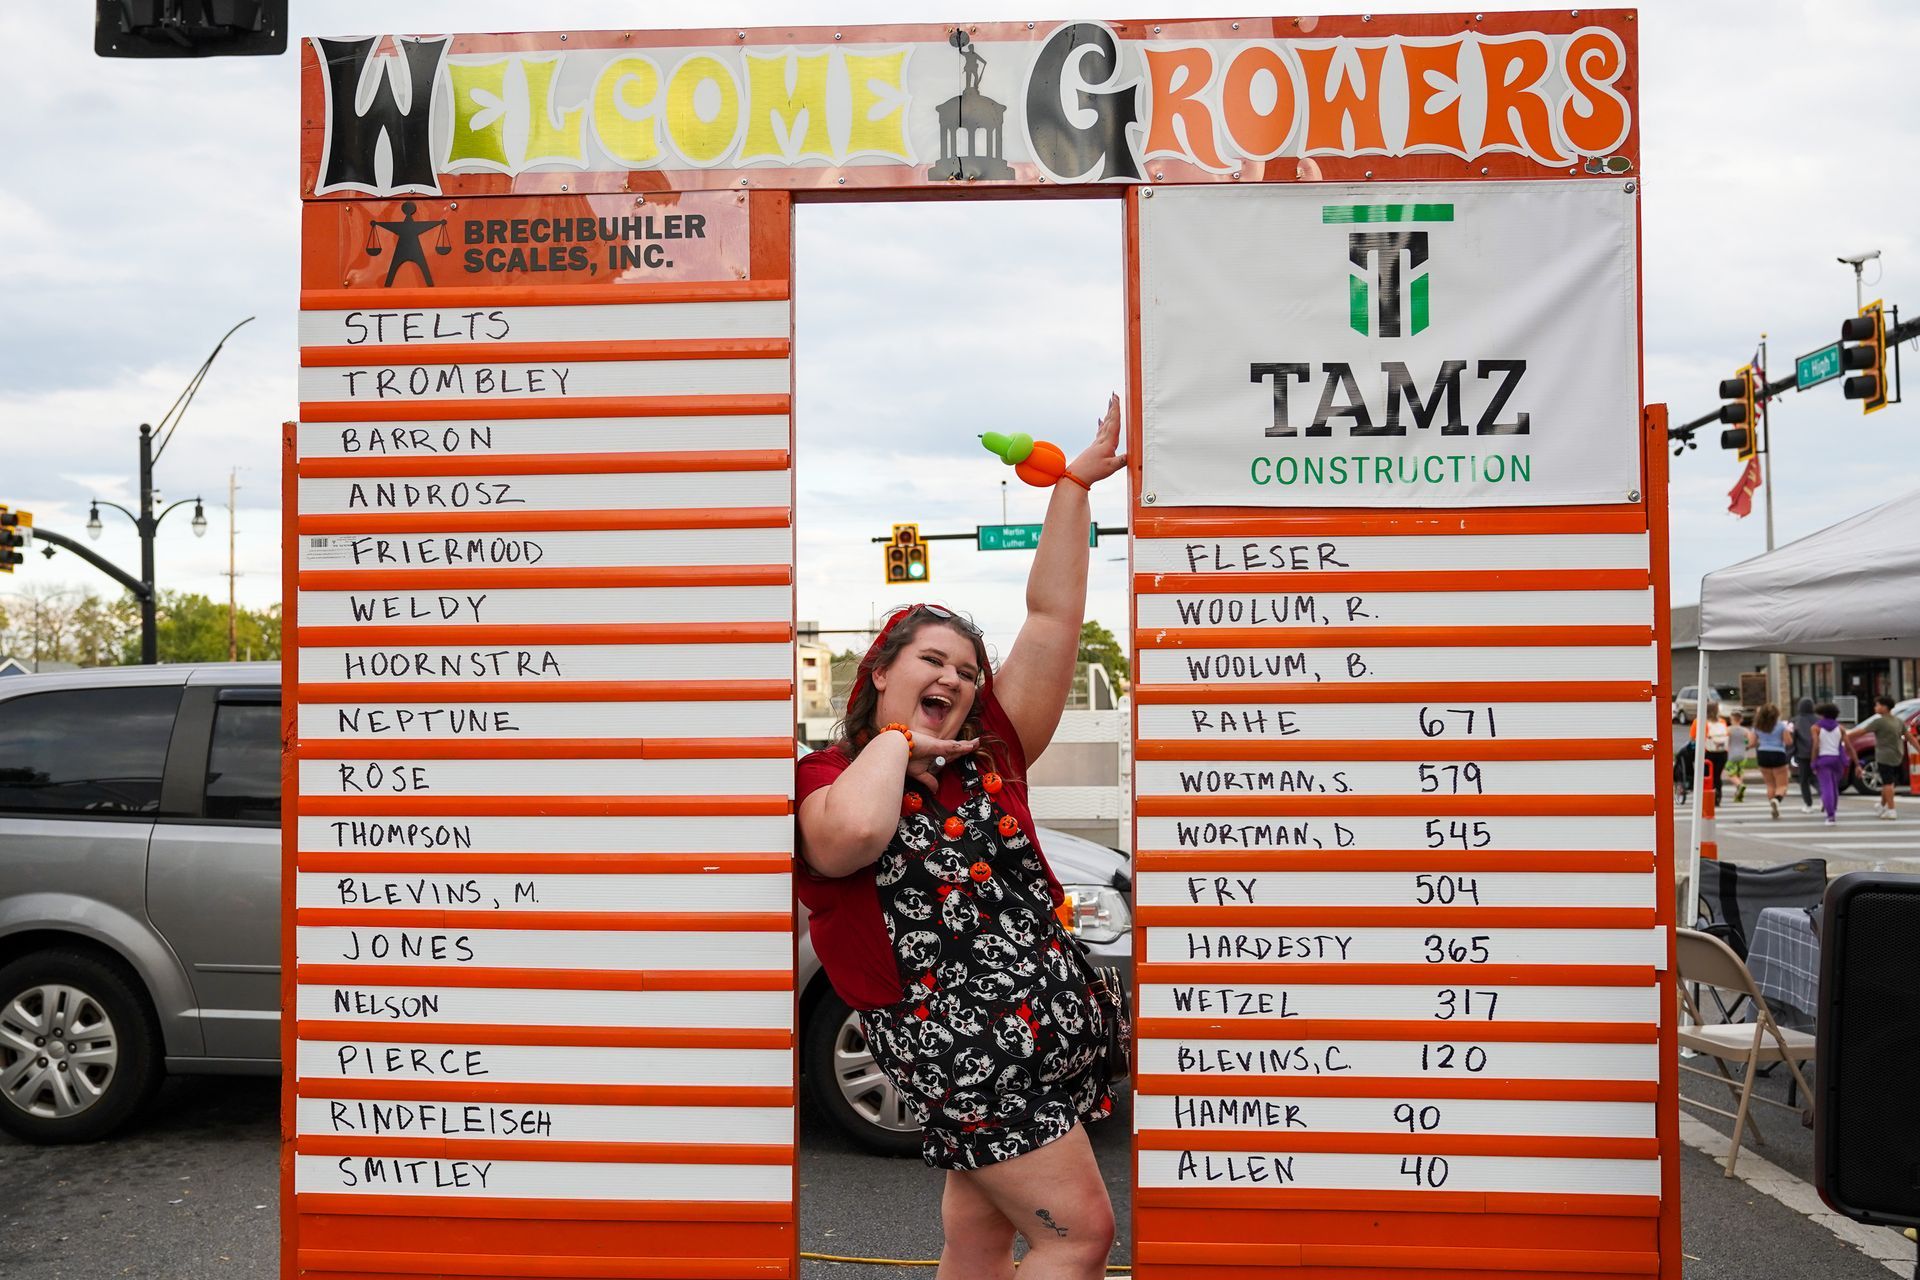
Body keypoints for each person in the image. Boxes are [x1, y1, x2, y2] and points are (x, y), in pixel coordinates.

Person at [794, 395, 1126, 1279]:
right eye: (932, 662)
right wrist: (899, 743)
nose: (956, 678)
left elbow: (1051, 620)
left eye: (969, 671)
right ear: (881, 676)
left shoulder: (990, 757)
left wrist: (1073, 492)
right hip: (968, 1055)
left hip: (1039, 1034)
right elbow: (853, 838)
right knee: (1079, 1234)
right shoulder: (827, 781)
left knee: (979, 1235)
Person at [1854, 694, 1918, 819]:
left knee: (1887, 782)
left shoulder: (1879, 721)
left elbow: (1860, 732)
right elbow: (1910, 737)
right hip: (1897, 755)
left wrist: (1844, 736)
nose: (1875, 707)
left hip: (1884, 756)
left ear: (1884, 707)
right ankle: (1882, 805)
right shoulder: (1898, 721)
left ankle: (1892, 809)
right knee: (1888, 782)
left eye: (1877, 705)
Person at [1811, 700, 1857, 825]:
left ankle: (1830, 815)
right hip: (1837, 760)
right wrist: (1856, 763)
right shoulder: (1840, 728)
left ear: (1822, 714)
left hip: (1823, 758)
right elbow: (1848, 746)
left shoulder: (1816, 728)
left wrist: (1813, 761)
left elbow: (1816, 746)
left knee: (1826, 787)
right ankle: (1833, 808)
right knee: (1833, 786)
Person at [1752, 704, 1793, 820]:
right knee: (1782, 785)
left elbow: (1753, 742)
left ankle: (1773, 804)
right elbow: (1788, 741)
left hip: (1762, 754)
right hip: (1778, 753)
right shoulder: (1781, 726)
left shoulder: (1757, 726)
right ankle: (1777, 800)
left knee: (1770, 784)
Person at [1695, 701, 1731, 806]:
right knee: (1717, 775)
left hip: (1708, 752)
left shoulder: (1700, 722)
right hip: (1722, 752)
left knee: (1707, 775)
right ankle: (1718, 794)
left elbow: (1693, 737)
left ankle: (1708, 796)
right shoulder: (1722, 722)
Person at [1791, 697, 1819, 814]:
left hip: (1802, 755)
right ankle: (1825, 798)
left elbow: (1792, 738)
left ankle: (1808, 804)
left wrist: (1790, 754)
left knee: (1804, 780)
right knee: (1818, 778)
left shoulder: (1795, 721)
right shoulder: (1818, 720)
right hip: (1818, 753)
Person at [1725, 709, 1754, 803]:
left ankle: (1740, 786)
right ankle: (1739, 795)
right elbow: (1750, 742)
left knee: (1730, 773)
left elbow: (1725, 741)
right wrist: (1746, 747)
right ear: (1741, 720)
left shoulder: (1728, 730)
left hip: (1732, 754)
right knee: (1739, 773)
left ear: (1731, 719)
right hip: (1742, 754)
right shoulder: (1745, 730)